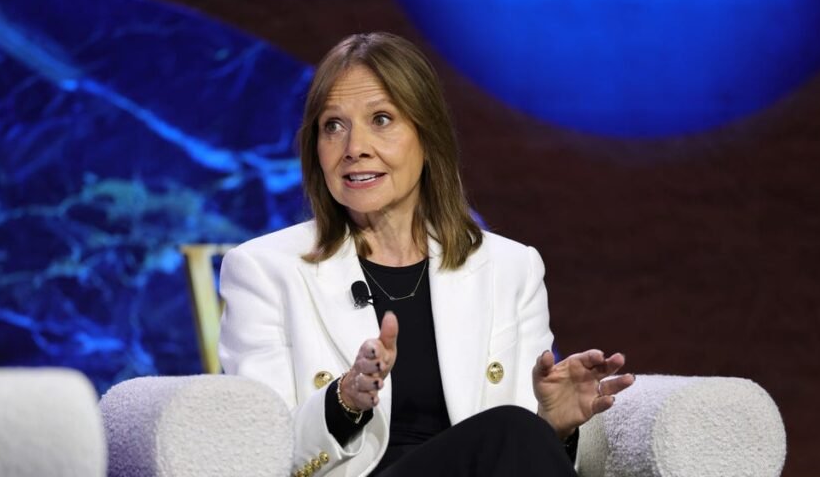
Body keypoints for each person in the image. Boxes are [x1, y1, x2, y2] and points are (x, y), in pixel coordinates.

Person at [218, 32, 635, 477]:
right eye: (333, 126)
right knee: (512, 429)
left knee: (518, 428)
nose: (354, 148)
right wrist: (344, 401)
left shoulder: (511, 268)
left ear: (427, 134)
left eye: (381, 119)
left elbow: (516, 451)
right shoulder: (264, 269)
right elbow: (262, 448)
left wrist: (554, 424)